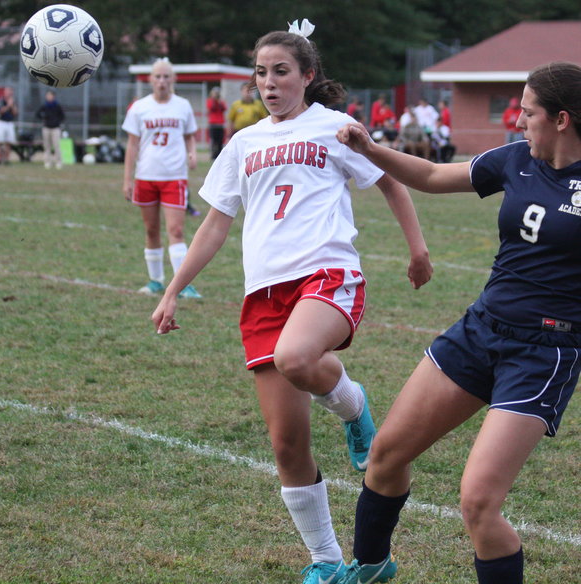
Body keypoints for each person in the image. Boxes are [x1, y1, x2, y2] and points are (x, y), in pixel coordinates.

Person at [151, 19, 432, 584]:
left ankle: (353, 406)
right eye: (261, 73)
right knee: (286, 445)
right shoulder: (243, 143)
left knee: (298, 357)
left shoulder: (336, 127)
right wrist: (175, 289)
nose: (269, 83)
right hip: (263, 294)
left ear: (308, 76)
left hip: (327, 275)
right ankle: (327, 561)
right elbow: (214, 227)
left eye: (281, 72)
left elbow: (390, 181)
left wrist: (418, 249)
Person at [335, 60, 581, 584]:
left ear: (561, 119)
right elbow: (429, 175)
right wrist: (370, 149)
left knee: (478, 503)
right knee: (385, 455)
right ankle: (370, 568)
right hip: (480, 330)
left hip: (543, 353)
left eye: (528, 112)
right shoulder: (515, 160)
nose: (518, 121)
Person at [122, 58, 201, 299]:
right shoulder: (139, 108)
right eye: (158, 76)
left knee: (176, 230)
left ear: (174, 79)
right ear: (150, 80)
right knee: (151, 229)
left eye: (167, 76)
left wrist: (193, 152)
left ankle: (182, 284)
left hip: (174, 176)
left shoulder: (183, 106)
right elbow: (132, 145)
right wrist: (128, 179)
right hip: (146, 176)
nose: (162, 81)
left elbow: (189, 136)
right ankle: (156, 280)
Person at [36, 90, 65, 169]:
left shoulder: (57, 106)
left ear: (53, 96)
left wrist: (56, 121)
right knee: (47, 146)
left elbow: (62, 116)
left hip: (55, 128)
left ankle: (58, 162)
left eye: (50, 95)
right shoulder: (44, 106)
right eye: (47, 95)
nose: (49, 97)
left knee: (56, 146)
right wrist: (44, 118)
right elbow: (38, 114)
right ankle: (47, 162)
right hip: (46, 128)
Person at [0, 86, 18, 165]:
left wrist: (12, 105)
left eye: (11, 91)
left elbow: (15, 113)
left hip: (9, 123)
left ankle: (7, 160)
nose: (9, 93)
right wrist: (8, 105)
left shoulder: (13, 101)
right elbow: (1, 111)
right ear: (5, 92)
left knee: (8, 142)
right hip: (1, 123)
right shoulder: (0, 100)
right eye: (8, 91)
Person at [206, 86, 227, 159]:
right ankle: (213, 155)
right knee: (213, 141)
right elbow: (211, 107)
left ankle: (219, 155)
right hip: (213, 124)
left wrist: (219, 101)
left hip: (220, 124)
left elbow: (224, 108)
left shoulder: (221, 101)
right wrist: (214, 100)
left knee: (220, 141)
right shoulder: (210, 101)